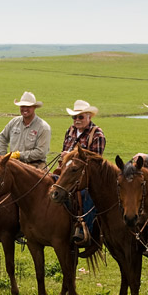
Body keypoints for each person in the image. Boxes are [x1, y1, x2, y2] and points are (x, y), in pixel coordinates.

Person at [60, 100, 104, 245]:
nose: (77, 120)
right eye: (74, 117)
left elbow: (95, 161)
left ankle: (86, 230)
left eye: (80, 117)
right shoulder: (70, 130)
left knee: (87, 196)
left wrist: (71, 155)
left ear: (89, 116)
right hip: (68, 173)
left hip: (87, 176)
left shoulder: (97, 134)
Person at [0, 91, 51, 169]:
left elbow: (41, 152)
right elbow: (3, 137)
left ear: (34, 107)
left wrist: (20, 155)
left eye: (28, 106)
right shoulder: (14, 122)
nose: (25, 109)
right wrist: (2, 157)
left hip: (35, 167)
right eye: (22, 106)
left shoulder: (43, 127)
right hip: (14, 165)